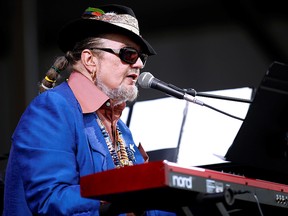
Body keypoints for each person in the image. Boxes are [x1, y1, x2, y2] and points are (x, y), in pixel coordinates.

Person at [3, 4, 177, 216]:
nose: (139, 64)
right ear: (89, 60)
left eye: (142, 57)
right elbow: (51, 199)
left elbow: (145, 204)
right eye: (128, 54)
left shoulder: (121, 127)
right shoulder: (51, 108)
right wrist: (123, 200)